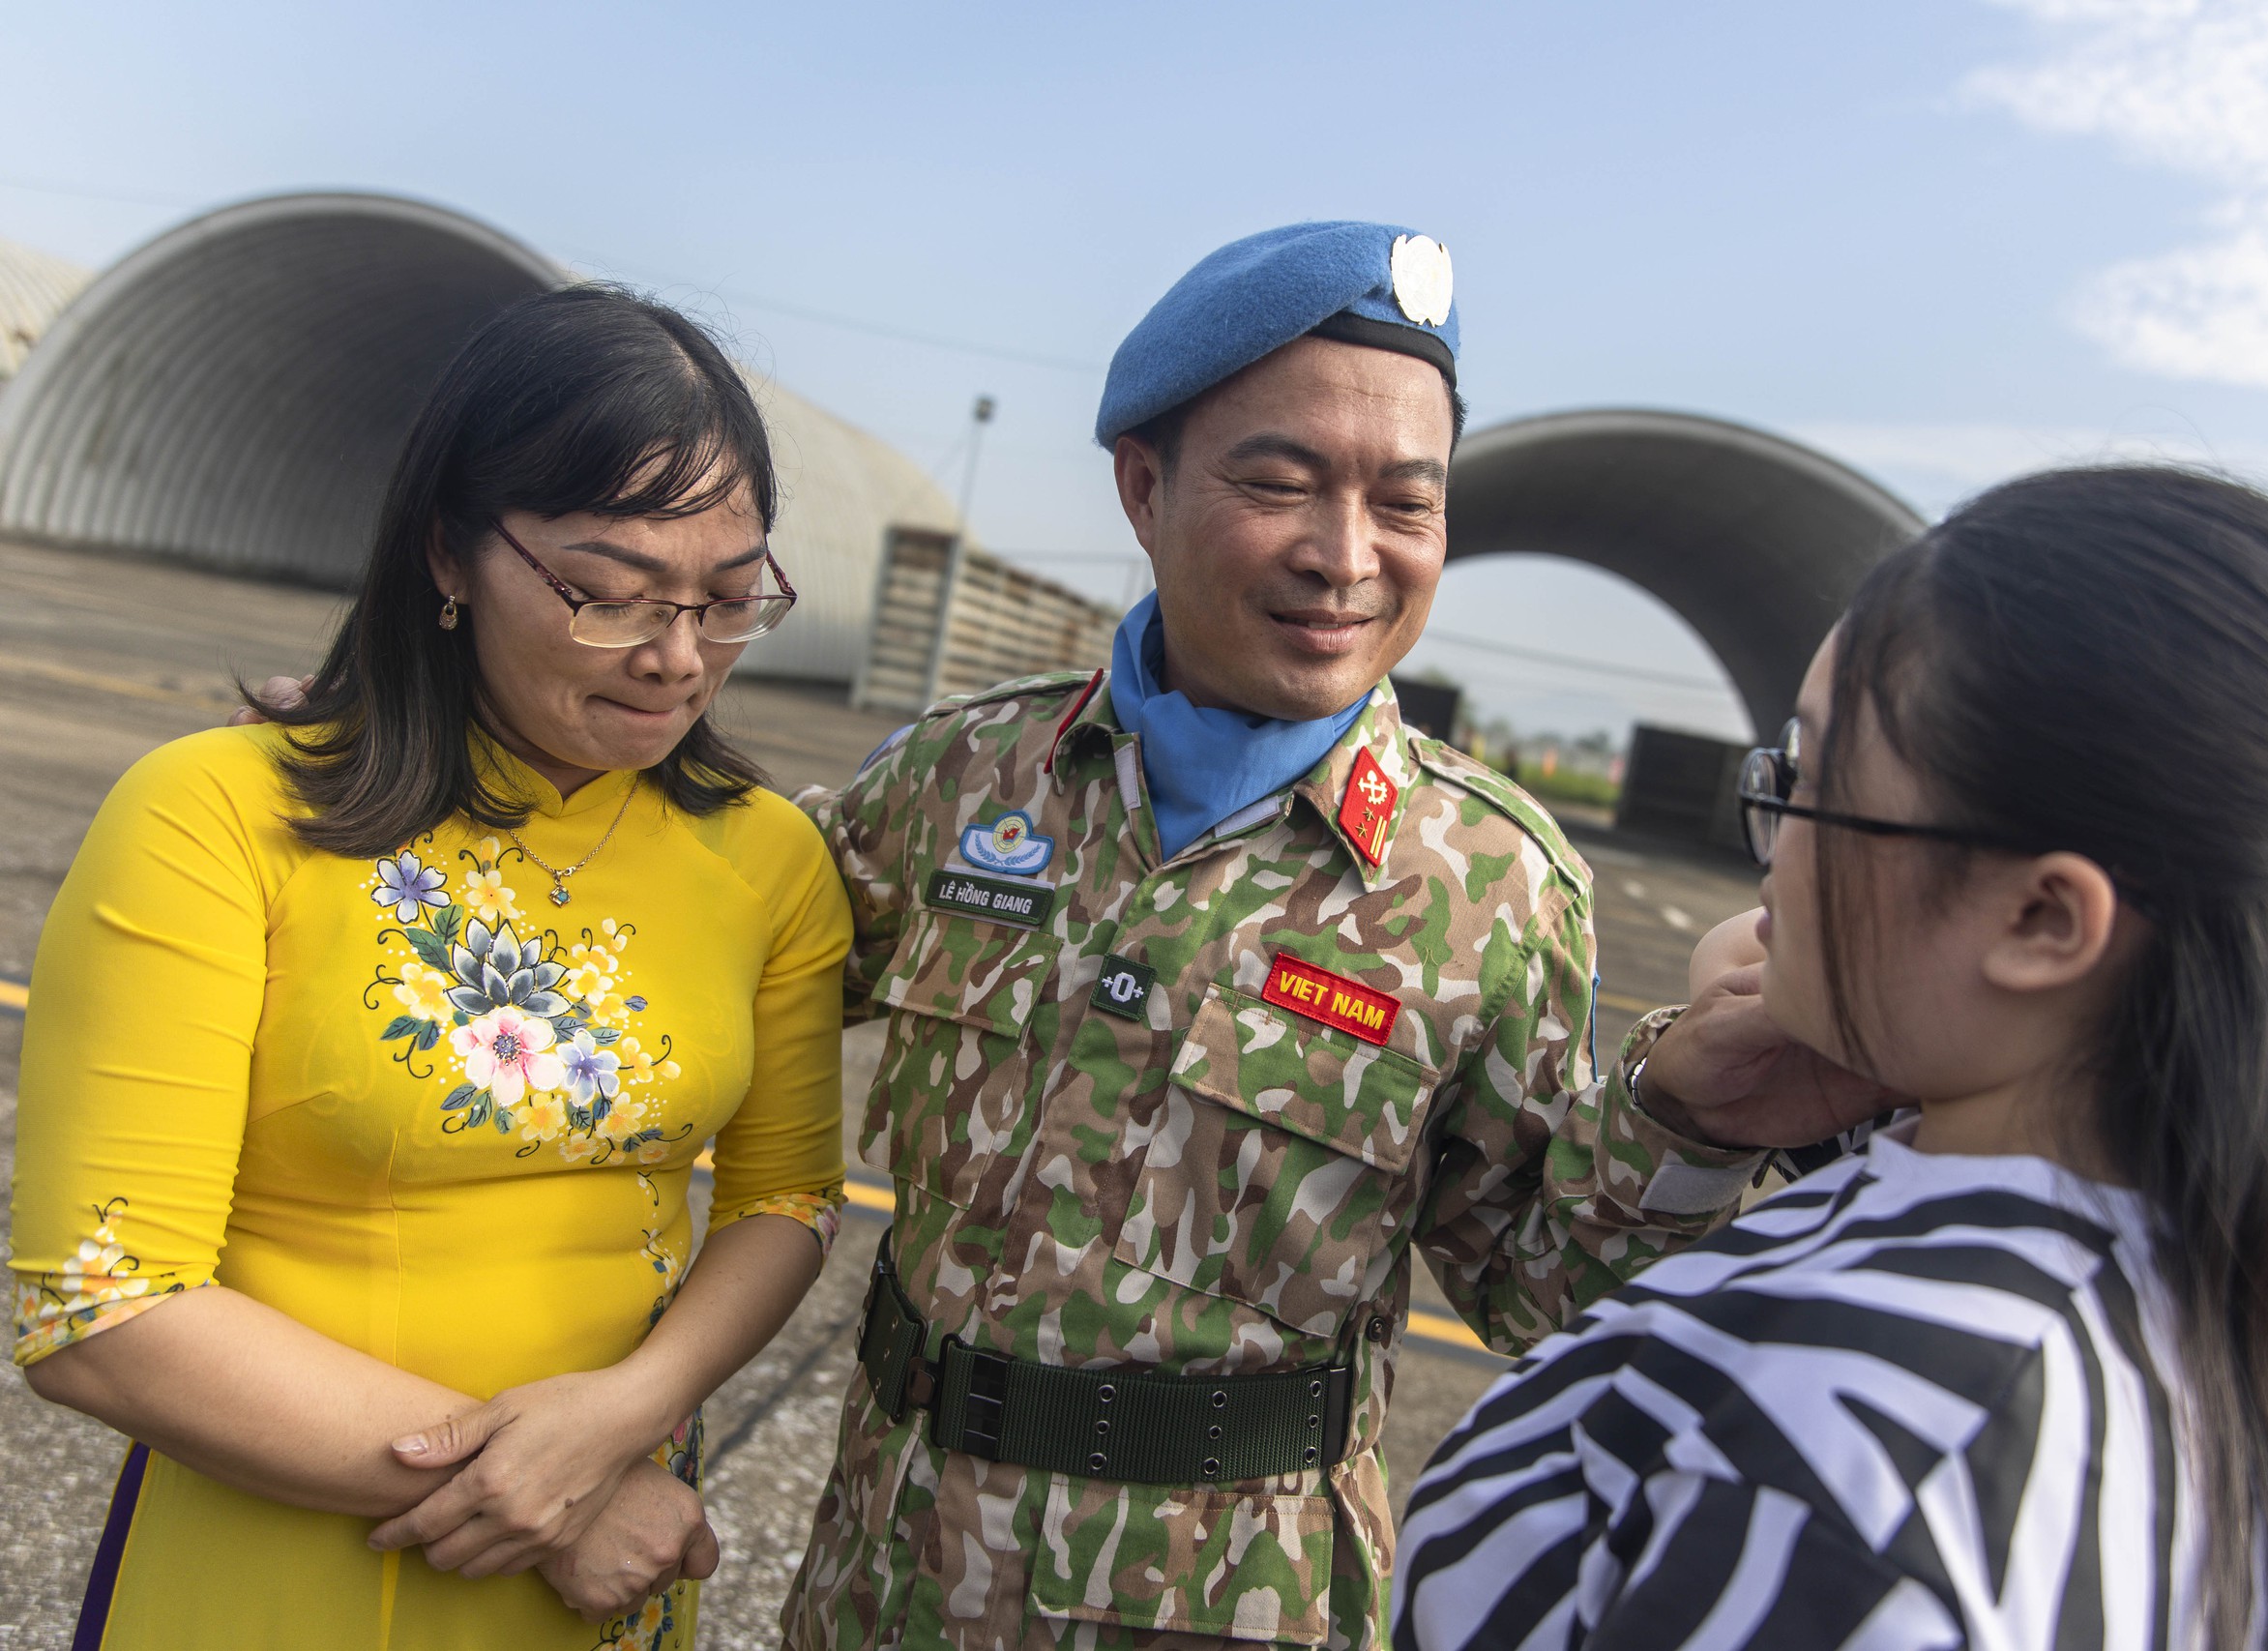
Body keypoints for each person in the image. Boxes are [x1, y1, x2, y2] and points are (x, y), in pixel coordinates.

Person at [773, 221, 1888, 1651]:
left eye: (1404, 504)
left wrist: (1689, 1115)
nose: (1347, 557)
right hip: (882, 1561)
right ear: (1143, 486)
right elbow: (732, 984)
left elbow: (1536, 1287)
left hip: (1227, 1596)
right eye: (1279, 482)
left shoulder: (1492, 884)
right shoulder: (961, 779)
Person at [1394, 466, 2268, 1650]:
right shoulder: (2248, 1314)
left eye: (1816, 787)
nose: (1775, 848)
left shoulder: (1841, 1446)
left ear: (2043, 923)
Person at [10, 285, 851, 1650]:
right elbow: (100, 1303)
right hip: (291, 1544)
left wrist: (627, 1416)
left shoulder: (765, 857)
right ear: (448, 553)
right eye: (610, 593)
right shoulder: (222, 814)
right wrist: (552, 1492)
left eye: (728, 594)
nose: (678, 655)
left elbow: (791, 1193)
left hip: (619, 1557)